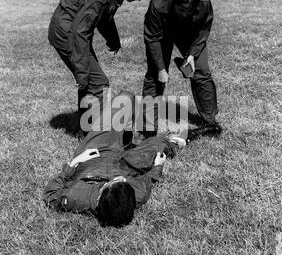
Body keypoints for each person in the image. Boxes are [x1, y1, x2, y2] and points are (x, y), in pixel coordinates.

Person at [43, 91, 185, 228]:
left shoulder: (77, 197)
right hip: (123, 165)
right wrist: (157, 167)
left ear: (103, 190)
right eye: (125, 182)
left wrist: (74, 163)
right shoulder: (138, 195)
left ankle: (122, 139)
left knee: (124, 99)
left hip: (94, 155)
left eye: (117, 181)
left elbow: (50, 195)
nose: (123, 179)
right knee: (159, 147)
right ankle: (164, 143)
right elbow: (148, 180)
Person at [48, 0, 155, 134]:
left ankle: (85, 129)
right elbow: (79, 33)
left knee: (91, 81)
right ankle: (98, 135)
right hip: (67, 33)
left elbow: (105, 17)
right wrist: (81, 72)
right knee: (98, 83)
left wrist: (114, 42)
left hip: (71, 30)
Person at [141, 0, 219, 138]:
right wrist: (161, 69)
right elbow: (152, 38)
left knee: (202, 72)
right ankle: (148, 128)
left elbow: (203, 31)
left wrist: (192, 54)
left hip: (189, 33)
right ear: (174, 1)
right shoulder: (159, 2)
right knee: (155, 76)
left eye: (188, 10)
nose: (183, 14)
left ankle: (209, 121)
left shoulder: (204, 3)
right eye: (180, 9)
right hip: (162, 33)